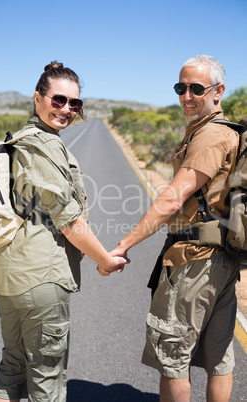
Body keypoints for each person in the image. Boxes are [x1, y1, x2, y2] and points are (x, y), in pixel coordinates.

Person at [98, 55, 241, 402]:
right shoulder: (230, 132)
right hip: (224, 260)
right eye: (181, 88)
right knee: (219, 356)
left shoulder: (209, 136)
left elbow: (171, 200)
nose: (187, 96)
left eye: (196, 88)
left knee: (173, 358)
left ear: (218, 91)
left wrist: (123, 245)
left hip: (194, 262)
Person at [0, 61, 128, 402]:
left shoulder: (20, 140)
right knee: (47, 380)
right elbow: (70, 222)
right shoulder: (44, 146)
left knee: (13, 366)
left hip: (6, 273)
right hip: (41, 278)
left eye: (75, 103)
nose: (66, 109)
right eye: (58, 100)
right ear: (38, 99)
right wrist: (105, 259)